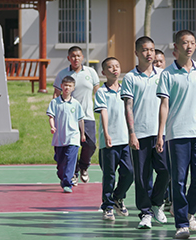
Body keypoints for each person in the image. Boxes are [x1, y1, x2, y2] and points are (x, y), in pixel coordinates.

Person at [156, 30, 196, 240]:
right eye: (184, 43)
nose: (189, 46)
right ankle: (181, 224)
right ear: (176, 47)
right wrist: (160, 134)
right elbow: (164, 105)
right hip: (177, 133)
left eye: (192, 42)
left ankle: (189, 211)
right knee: (179, 180)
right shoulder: (167, 74)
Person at [122, 37, 169, 229]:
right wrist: (132, 133)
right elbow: (128, 107)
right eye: (144, 50)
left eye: (151, 49)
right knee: (142, 177)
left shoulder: (163, 75)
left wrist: (163, 132)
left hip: (161, 133)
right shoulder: (130, 78)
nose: (149, 53)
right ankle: (145, 213)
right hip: (140, 134)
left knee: (166, 170)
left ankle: (157, 203)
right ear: (136, 53)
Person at [54, 46, 99, 184]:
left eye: (78, 56)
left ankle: (83, 166)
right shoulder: (62, 74)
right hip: (69, 118)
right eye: (73, 56)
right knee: (70, 147)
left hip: (87, 116)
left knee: (90, 144)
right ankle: (72, 172)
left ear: (83, 57)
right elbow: (56, 94)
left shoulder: (91, 72)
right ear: (68, 58)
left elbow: (97, 91)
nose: (76, 58)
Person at [95, 57, 134, 221]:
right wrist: (106, 133)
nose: (114, 69)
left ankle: (117, 197)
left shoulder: (126, 89)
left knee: (130, 172)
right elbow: (103, 112)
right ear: (104, 72)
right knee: (109, 175)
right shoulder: (101, 92)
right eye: (110, 67)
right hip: (109, 141)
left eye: (117, 66)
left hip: (125, 140)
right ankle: (107, 206)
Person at [47, 76, 86, 193]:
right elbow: (51, 116)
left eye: (70, 86)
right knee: (61, 163)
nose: (67, 88)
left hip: (73, 137)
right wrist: (52, 126)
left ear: (73, 88)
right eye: (65, 85)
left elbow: (81, 120)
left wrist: (82, 134)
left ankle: (68, 183)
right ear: (61, 86)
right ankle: (63, 177)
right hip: (59, 138)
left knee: (70, 159)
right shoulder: (55, 102)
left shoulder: (76, 104)